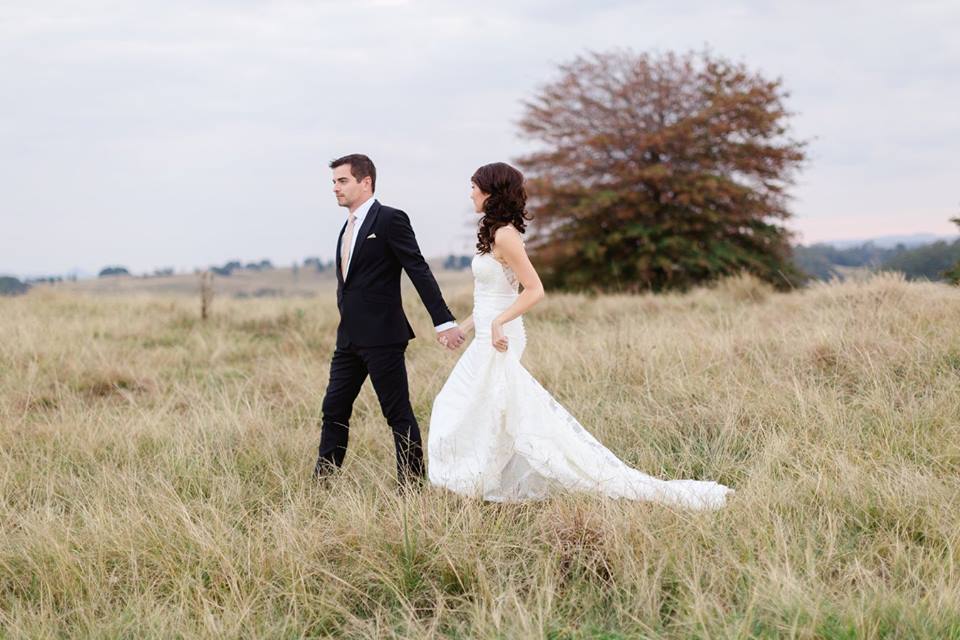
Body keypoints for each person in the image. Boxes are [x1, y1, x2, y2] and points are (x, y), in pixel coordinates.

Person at [427, 162, 731, 509]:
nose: (470, 194)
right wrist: (464, 327)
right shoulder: (493, 232)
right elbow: (491, 298)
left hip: (502, 337)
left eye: (474, 187)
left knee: (469, 405)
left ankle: (478, 479)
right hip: (487, 334)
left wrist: (499, 323)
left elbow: (534, 290)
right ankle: (479, 480)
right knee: (476, 406)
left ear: (491, 191)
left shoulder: (506, 235)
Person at [314, 154, 465, 489]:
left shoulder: (390, 219)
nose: (335, 188)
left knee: (397, 414)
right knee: (333, 409)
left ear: (365, 182)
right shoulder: (346, 228)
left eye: (342, 181)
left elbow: (418, 269)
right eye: (334, 182)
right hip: (348, 340)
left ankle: (411, 488)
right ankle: (323, 484)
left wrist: (443, 322)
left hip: (383, 337)